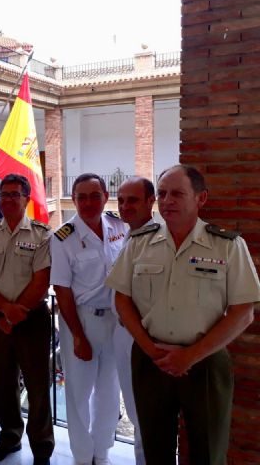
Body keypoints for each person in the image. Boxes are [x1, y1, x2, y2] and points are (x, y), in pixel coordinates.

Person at [106, 165, 259, 465]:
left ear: (201, 199)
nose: (167, 201)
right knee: (155, 447)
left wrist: (190, 356)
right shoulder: (139, 242)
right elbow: (121, 299)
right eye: (162, 194)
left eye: (177, 193)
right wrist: (151, 350)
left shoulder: (227, 245)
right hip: (151, 360)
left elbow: (243, 313)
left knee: (209, 450)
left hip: (204, 363)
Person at [0, 174, 54, 465]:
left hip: (32, 320)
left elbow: (42, 281)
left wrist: (15, 313)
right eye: (3, 194)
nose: (7, 199)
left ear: (27, 199)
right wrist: (5, 310)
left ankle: (42, 448)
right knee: (3, 383)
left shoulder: (42, 234)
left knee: (38, 386)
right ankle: (10, 438)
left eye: (14, 194)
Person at [50, 172, 129, 465]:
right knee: (79, 393)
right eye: (81, 197)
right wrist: (78, 336)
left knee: (109, 391)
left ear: (105, 198)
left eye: (95, 196)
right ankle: (83, 457)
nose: (88, 203)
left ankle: (102, 451)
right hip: (82, 321)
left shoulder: (119, 227)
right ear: (74, 200)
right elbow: (62, 290)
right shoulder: (63, 238)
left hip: (117, 322)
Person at [114, 176, 156, 465]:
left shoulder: (159, 238)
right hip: (123, 335)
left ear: (150, 202)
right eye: (121, 201)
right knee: (134, 406)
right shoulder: (128, 235)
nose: (125, 206)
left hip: (146, 337)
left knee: (148, 412)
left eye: (133, 200)